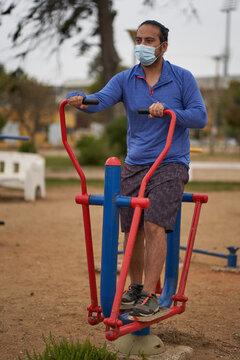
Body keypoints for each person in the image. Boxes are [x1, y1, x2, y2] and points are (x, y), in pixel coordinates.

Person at [66, 20, 207, 322]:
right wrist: (81, 99)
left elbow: (199, 116)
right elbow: (100, 100)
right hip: (136, 163)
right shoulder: (126, 79)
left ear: (163, 46)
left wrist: (169, 111)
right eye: (139, 40)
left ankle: (153, 296)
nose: (142, 45)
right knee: (133, 228)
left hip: (170, 161)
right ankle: (137, 287)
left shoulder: (182, 78)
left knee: (156, 224)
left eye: (149, 40)